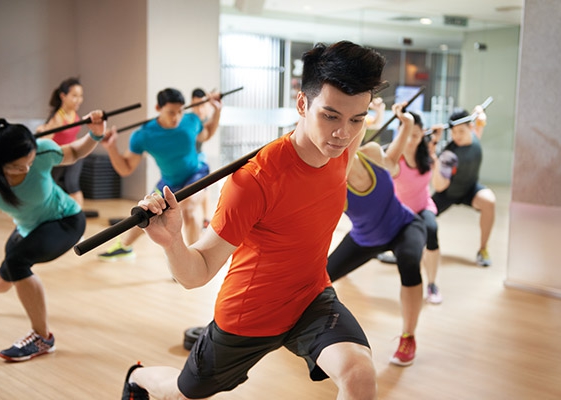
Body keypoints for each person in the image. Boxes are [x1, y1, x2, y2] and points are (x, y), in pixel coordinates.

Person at [120, 40, 386, 400]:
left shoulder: (344, 145)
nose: (344, 133)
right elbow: (196, 273)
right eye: (330, 116)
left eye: (357, 118)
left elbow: (352, 132)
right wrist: (172, 242)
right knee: (182, 392)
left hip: (310, 298)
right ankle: (139, 377)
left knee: (359, 374)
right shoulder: (254, 181)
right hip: (249, 315)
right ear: (302, 104)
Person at [0, 111, 106, 362]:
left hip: (65, 221)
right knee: (7, 272)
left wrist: (95, 134)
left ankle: (42, 337)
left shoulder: (43, 152)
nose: (25, 169)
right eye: (16, 166)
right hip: (28, 227)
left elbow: (74, 152)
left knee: (16, 263)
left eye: (29, 162)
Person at [326, 102, 426, 367]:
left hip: (404, 226)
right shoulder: (334, 186)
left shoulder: (370, 152)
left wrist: (406, 124)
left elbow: (392, 162)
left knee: (409, 262)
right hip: (365, 239)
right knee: (319, 280)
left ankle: (408, 337)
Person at [97, 88, 222, 261]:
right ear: (158, 108)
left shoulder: (191, 120)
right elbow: (126, 169)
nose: (176, 117)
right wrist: (111, 148)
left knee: (189, 208)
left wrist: (217, 111)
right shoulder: (143, 135)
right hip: (169, 181)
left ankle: (195, 258)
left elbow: (207, 134)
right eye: (171, 112)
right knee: (145, 212)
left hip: (196, 173)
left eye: (180, 111)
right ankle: (124, 247)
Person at [432, 105, 495, 266]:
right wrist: (436, 160)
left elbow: (480, 120)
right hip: (448, 193)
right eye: (453, 132)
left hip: (469, 189)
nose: (456, 136)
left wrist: (479, 111)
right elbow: (440, 187)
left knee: (489, 202)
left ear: (470, 127)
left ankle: (483, 250)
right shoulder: (449, 154)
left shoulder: (475, 136)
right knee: (421, 217)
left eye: (461, 131)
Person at [392, 112, 444, 304]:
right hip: (401, 212)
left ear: (422, 133)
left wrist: (435, 146)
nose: (410, 140)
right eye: (406, 134)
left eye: (415, 135)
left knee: (432, 229)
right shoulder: (393, 158)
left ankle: (432, 284)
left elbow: (439, 186)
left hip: (423, 206)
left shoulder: (427, 154)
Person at [36, 77, 89, 210]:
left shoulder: (74, 114)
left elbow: (71, 135)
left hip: (74, 154)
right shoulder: (57, 118)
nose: (79, 100)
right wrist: (42, 131)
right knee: (50, 186)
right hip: (58, 156)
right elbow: (45, 140)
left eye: (80, 96)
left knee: (72, 184)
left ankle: (78, 215)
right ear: (63, 96)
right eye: (74, 96)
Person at [190, 88, 217, 230]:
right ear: (191, 104)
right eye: (196, 105)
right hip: (187, 163)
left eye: (202, 105)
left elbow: (210, 128)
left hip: (199, 160)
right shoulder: (188, 120)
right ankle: (205, 219)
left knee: (204, 189)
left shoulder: (204, 119)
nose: (199, 109)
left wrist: (214, 105)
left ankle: (206, 219)